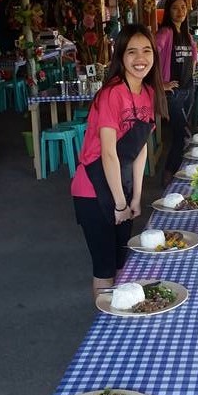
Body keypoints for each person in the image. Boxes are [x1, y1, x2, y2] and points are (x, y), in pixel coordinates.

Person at [71, 24, 168, 299]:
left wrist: (136, 196)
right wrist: (119, 203)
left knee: (122, 264)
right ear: (121, 57)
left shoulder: (148, 93)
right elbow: (109, 153)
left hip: (120, 186)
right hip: (93, 187)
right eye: (132, 52)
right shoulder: (112, 93)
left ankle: (119, 317)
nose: (140, 58)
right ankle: (105, 332)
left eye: (147, 51)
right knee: (105, 268)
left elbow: (139, 149)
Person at [156, 0, 198, 187]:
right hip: (173, 94)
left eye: (183, 7)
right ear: (168, 11)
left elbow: (194, 59)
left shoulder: (187, 35)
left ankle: (177, 176)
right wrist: (160, 84)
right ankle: (168, 176)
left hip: (188, 90)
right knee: (182, 134)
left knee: (183, 134)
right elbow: (151, 57)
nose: (180, 11)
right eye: (175, 8)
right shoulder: (165, 32)